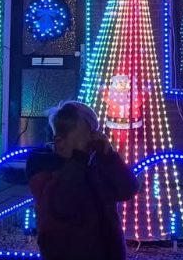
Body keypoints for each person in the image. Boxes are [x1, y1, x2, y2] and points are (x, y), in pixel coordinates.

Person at [27, 100, 139, 260]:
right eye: (86, 142)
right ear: (59, 142)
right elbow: (62, 204)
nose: (92, 145)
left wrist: (109, 157)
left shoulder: (95, 161)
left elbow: (128, 189)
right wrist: (79, 158)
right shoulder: (42, 166)